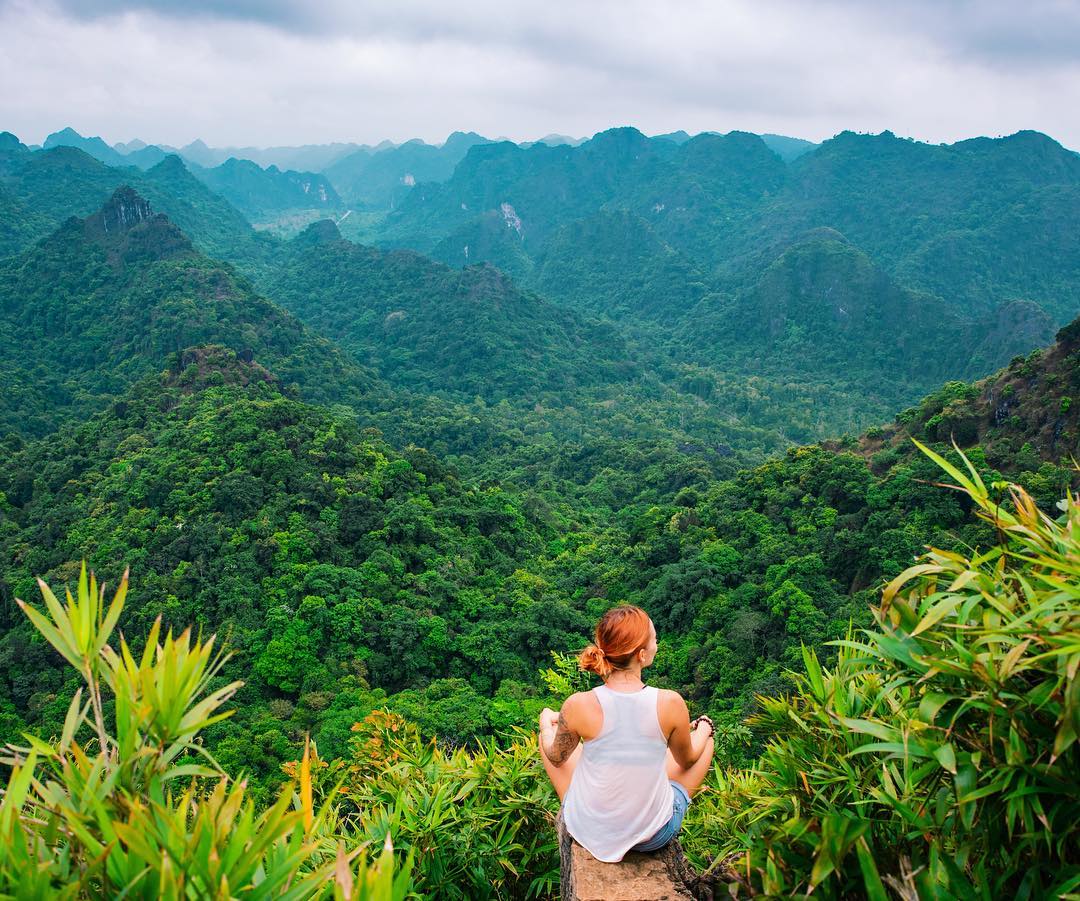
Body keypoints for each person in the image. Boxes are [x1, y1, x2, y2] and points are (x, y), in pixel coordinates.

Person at [538, 605, 715, 863]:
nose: (658, 643)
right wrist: (705, 728)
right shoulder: (669, 703)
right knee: (704, 743)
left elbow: (555, 758)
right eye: (654, 639)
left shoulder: (578, 705)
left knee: (554, 734)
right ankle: (664, 805)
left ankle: (580, 808)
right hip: (652, 836)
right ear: (642, 655)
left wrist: (545, 723)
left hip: (589, 831)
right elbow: (686, 760)